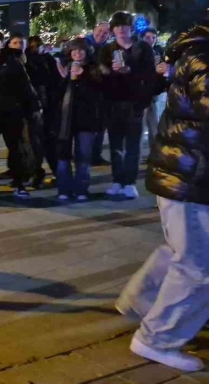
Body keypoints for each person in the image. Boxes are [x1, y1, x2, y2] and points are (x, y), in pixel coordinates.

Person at [115, 25, 208, 372]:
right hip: (191, 176)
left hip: (187, 175)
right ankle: (157, 338)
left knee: (185, 252)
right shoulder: (203, 58)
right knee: (199, 268)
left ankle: (143, 301)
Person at [98, 12, 163, 199]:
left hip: (135, 103)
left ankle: (130, 183)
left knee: (133, 145)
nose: (120, 30)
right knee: (115, 144)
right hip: (113, 103)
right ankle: (118, 180)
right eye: (117, 26)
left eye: (124, 26)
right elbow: (100, 75)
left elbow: (150, 76)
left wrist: (129, 71)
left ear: (130, 28)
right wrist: (109, 72)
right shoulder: (107, 49)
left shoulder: (142, 48)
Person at [0, 30, 40, 198]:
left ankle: (19, 184)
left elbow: (25, 86)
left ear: (1, 44)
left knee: (16, 149)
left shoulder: (12, 62)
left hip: (12, 113)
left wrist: (34, 106)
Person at [53, 39, 105, 201]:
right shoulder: (67, 67)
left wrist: (83, 77)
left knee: (83, 156)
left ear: (87, 51)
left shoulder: (93, 69)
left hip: (86, 119)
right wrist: (65, 77)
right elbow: (58, 93)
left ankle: (81, 190)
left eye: (81, 50)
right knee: (63, 156)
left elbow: (98, 93)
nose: (77, 53)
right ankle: (64, 189)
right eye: (74, 50)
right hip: (66, 119)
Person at [23, 34, 61, 188]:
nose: (35, 49)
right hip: (32, 108)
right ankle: (36, 173)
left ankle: (57, 173)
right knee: (34, 144)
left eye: (37, 46)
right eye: (32, 46)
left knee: (46, 143)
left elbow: (56, 82)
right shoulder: (25, 62)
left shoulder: (48, 61)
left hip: (47, 107)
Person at [86, 21, 113, 166]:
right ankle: (85, 155)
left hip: (103, 94)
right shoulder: (83, 44)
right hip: (85, 94)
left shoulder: (108, 49)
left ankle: (95, 155)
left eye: (105, 33)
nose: (101, 34)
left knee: (101, 127)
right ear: (94, 29)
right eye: (100, 30)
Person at [142, 28, 167, 147]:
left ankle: (154, 151)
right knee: (141, 125)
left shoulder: (158, 51)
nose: (151, 40)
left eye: (153, 37)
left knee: (154, 123)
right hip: (141, 93)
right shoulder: (138, 51)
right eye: (147, 37)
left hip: (154, 92)